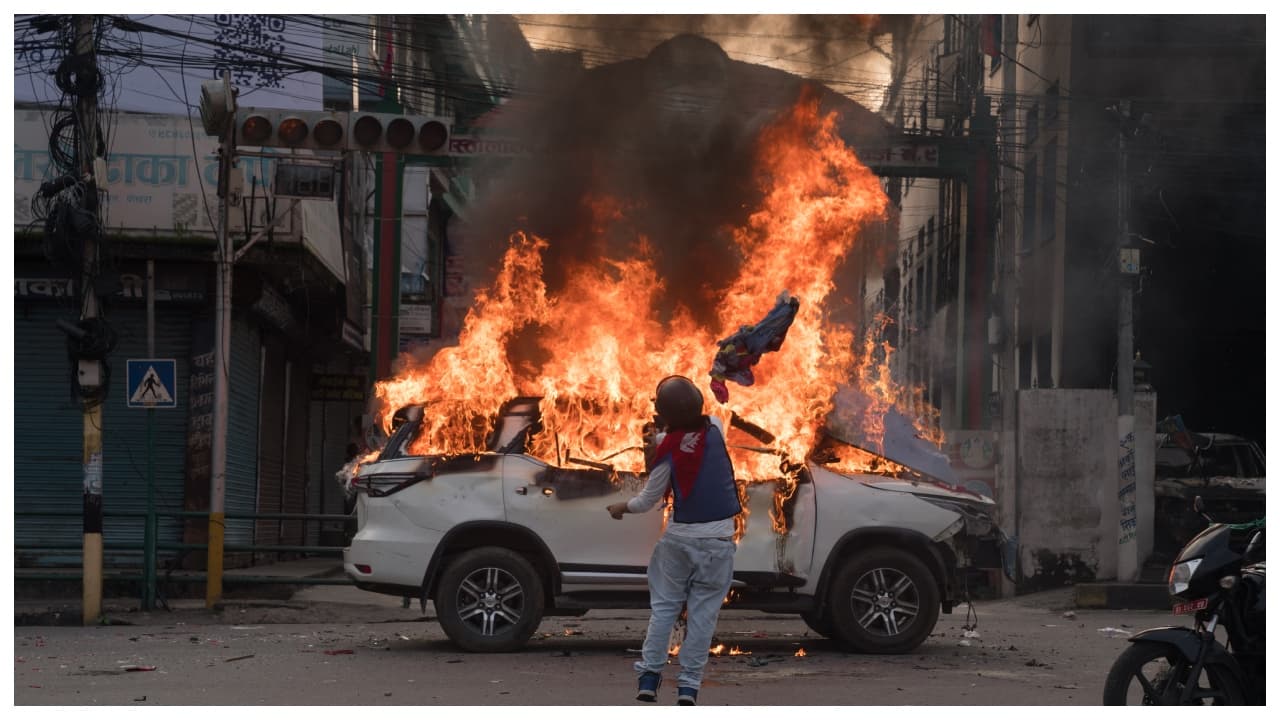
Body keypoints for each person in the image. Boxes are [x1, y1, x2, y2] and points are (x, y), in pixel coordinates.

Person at [606, 375, 742, 706]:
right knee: (702, 618)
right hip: (719, 543)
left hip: (679, 542)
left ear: (664, 414)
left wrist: (621, 507)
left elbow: (647, 500)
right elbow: (695, 431)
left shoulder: (665, 447)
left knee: (664, 610)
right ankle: (688, 688)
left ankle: (649, 679)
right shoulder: (716, 428)